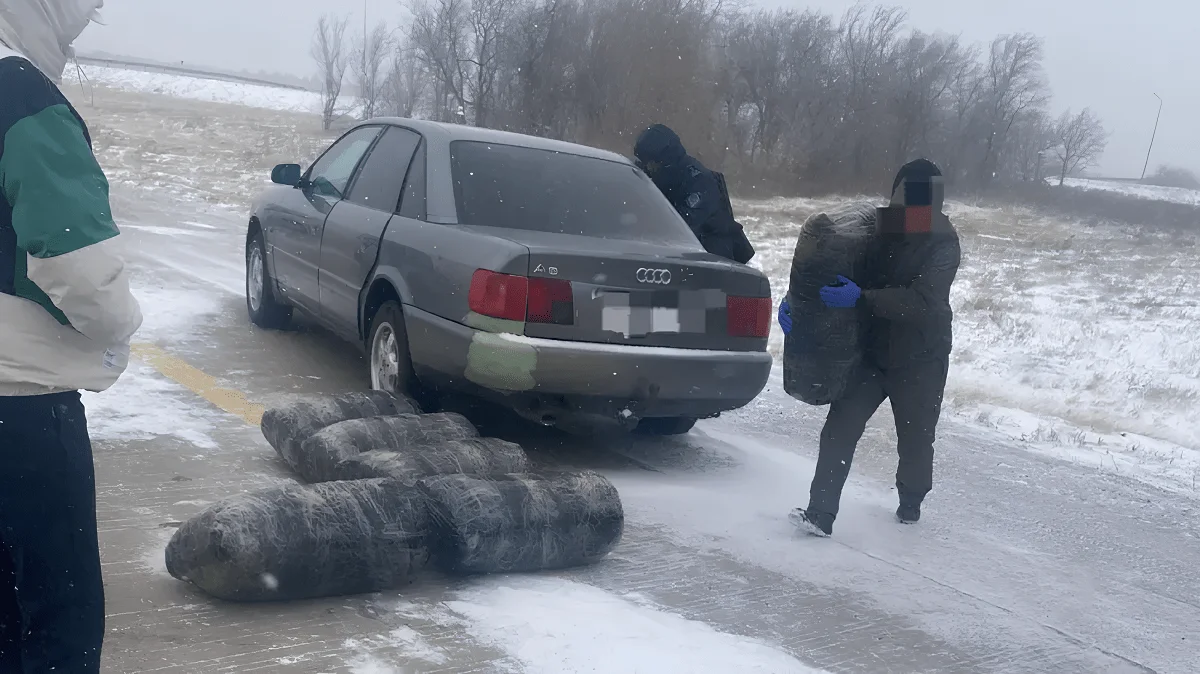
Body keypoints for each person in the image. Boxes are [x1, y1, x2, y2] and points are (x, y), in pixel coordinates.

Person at [0, 1, 143, 671]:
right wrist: (122, 324)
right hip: (21, 412)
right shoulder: (24, 99)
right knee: (54, 629)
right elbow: (85, 280)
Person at [778, 158, 960, 537]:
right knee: (839, 429)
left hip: (920, 358)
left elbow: (923, 301)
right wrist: (796, 303)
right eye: (905, 196)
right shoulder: (875, 228)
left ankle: (910, 504)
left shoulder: (944, 241)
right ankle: (819, 514)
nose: (911, 207)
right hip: (873, 352)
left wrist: (862, 298)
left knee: (915, 439)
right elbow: (831, 266)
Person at [633, 124, 755, 263]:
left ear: (665, 161)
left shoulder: (698, 180)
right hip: (683, 255)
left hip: (714, 257)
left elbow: (681, 225)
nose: (649, 168)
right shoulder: (660, 174)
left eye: (652, 164)